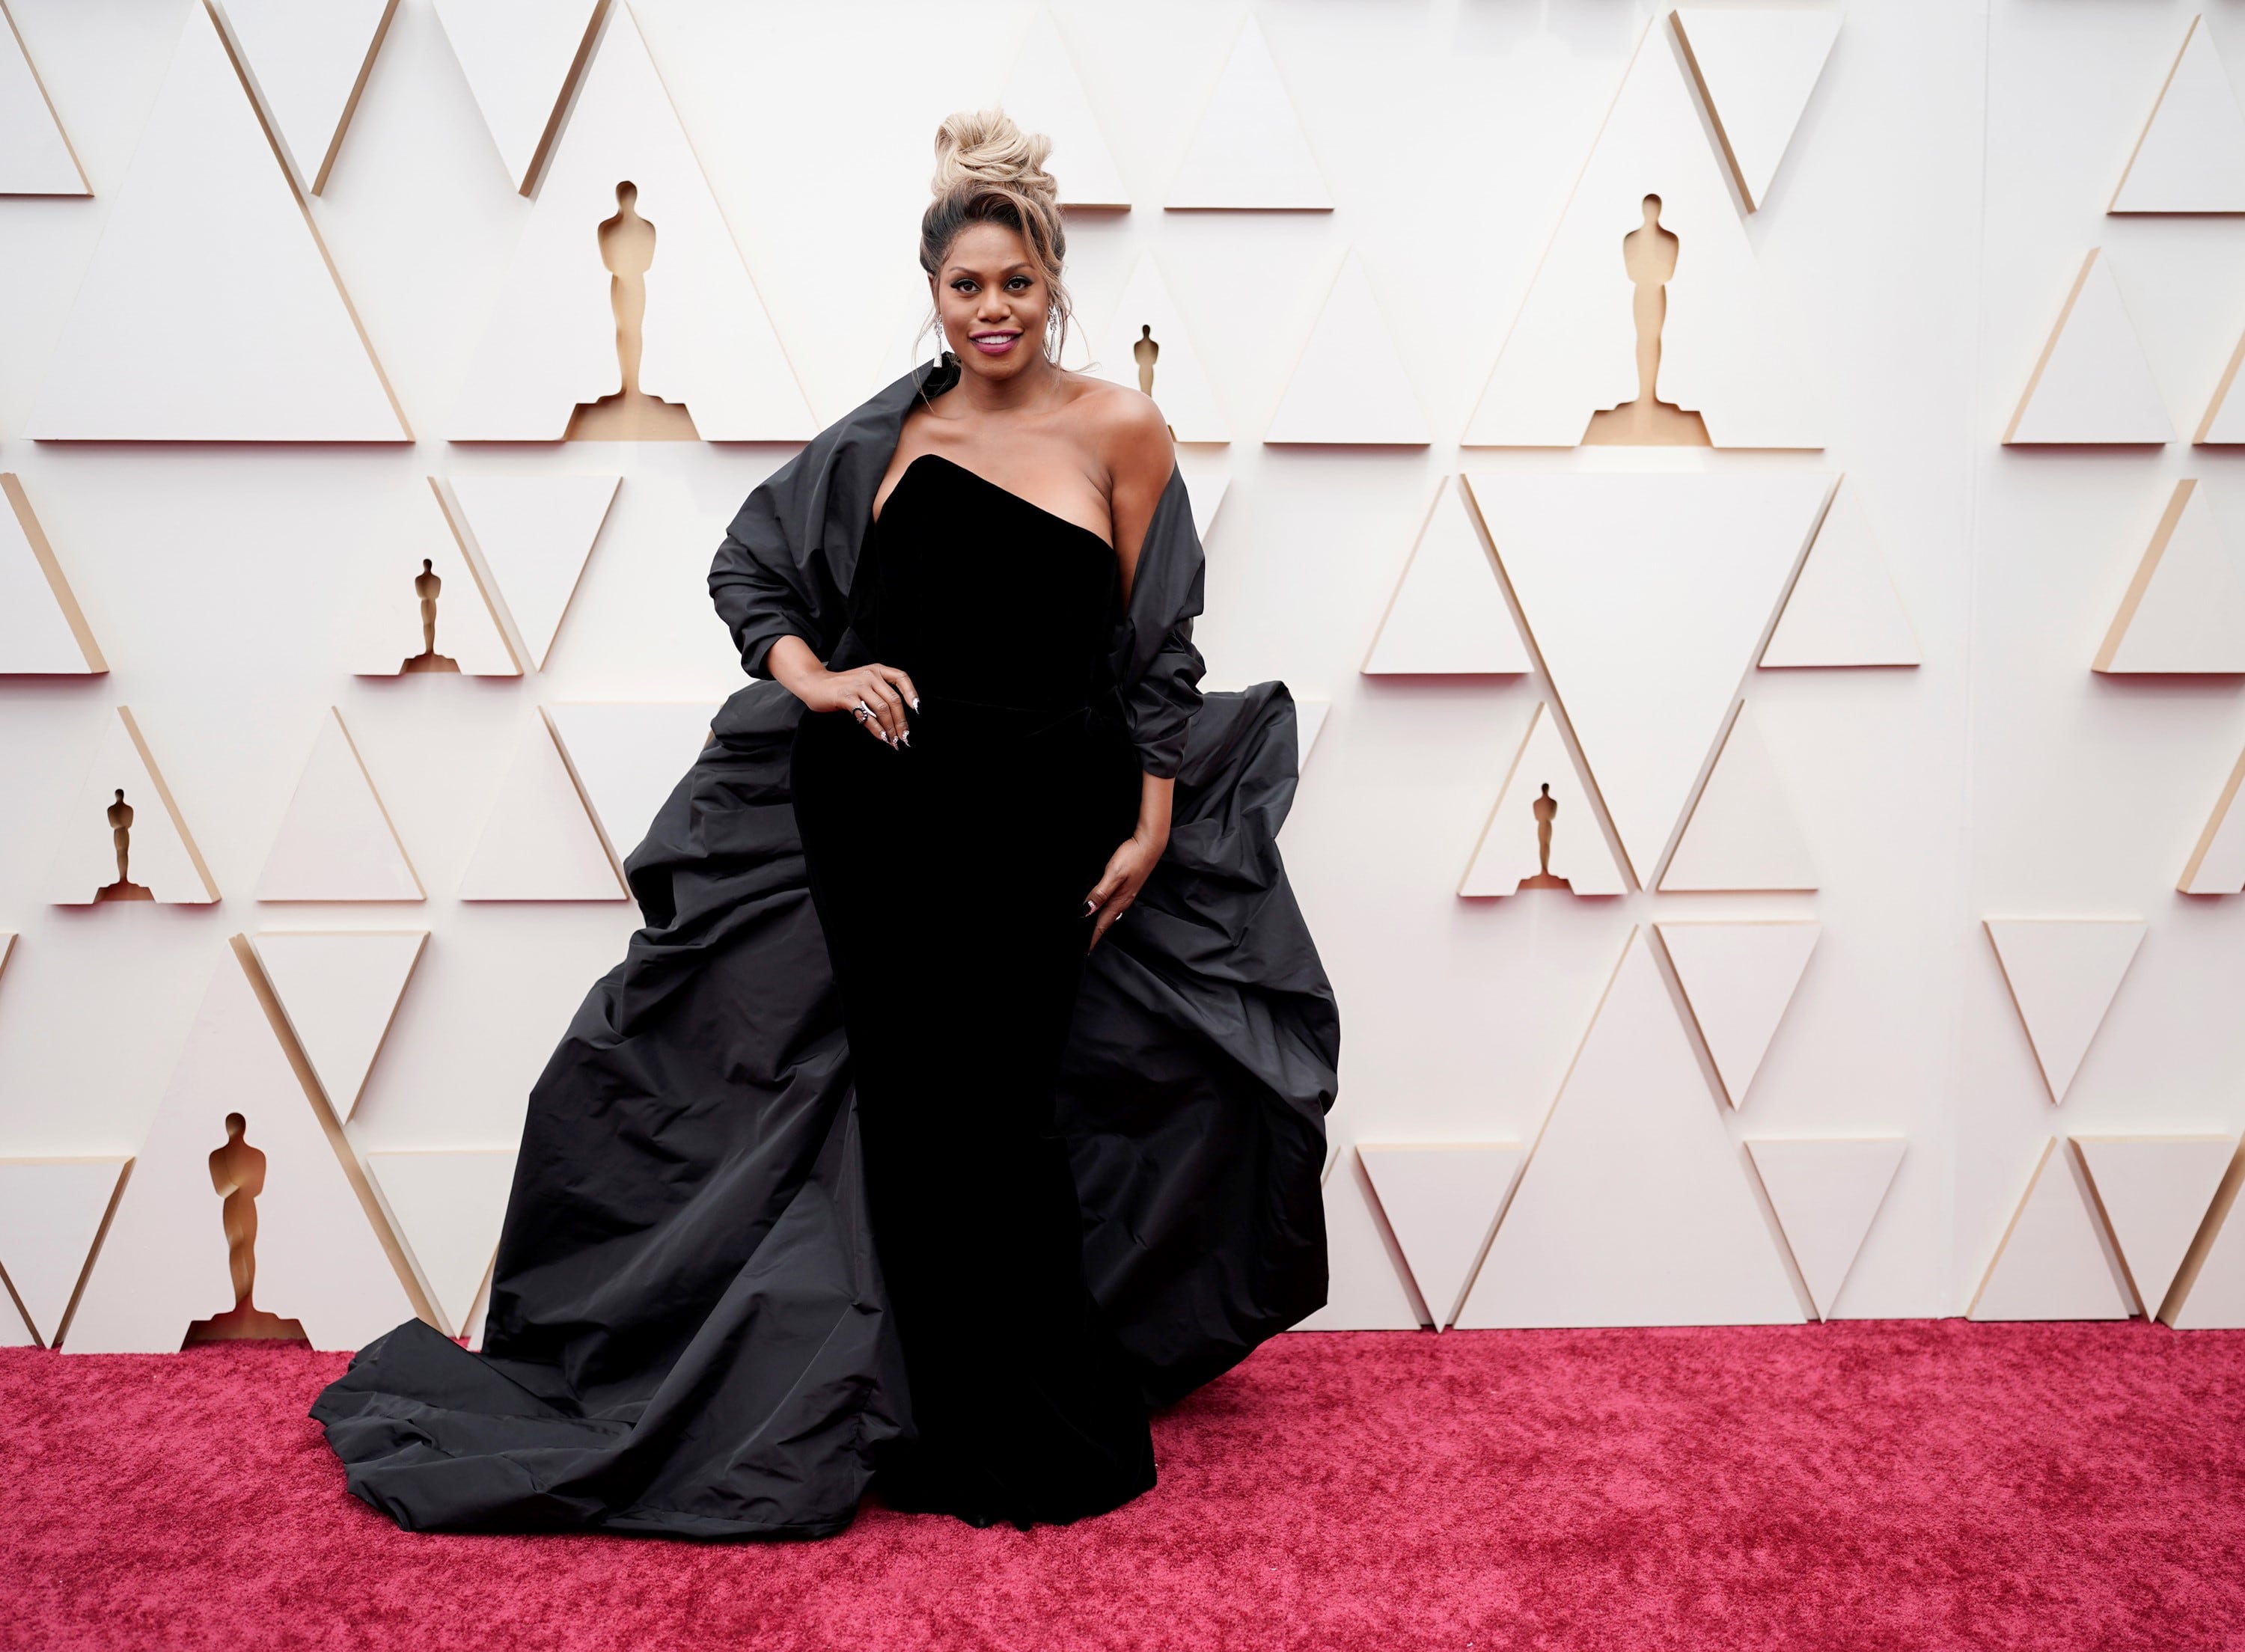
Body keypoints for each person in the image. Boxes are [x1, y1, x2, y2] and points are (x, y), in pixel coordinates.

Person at [312, 110, 1338, 1540]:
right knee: (919, 1126)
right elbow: (752, 570)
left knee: (1012, 1120)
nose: (992, 310)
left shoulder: (1122, 428)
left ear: (1055, 284)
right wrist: (817, 677)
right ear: (935, 292)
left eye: (1017, 284)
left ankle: (1041, 1422)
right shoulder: (888, 433)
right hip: (883, 820)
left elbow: (1157, 644)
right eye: (966, 286)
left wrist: (1153, 817)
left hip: (1047, 815)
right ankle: (932, 1426)